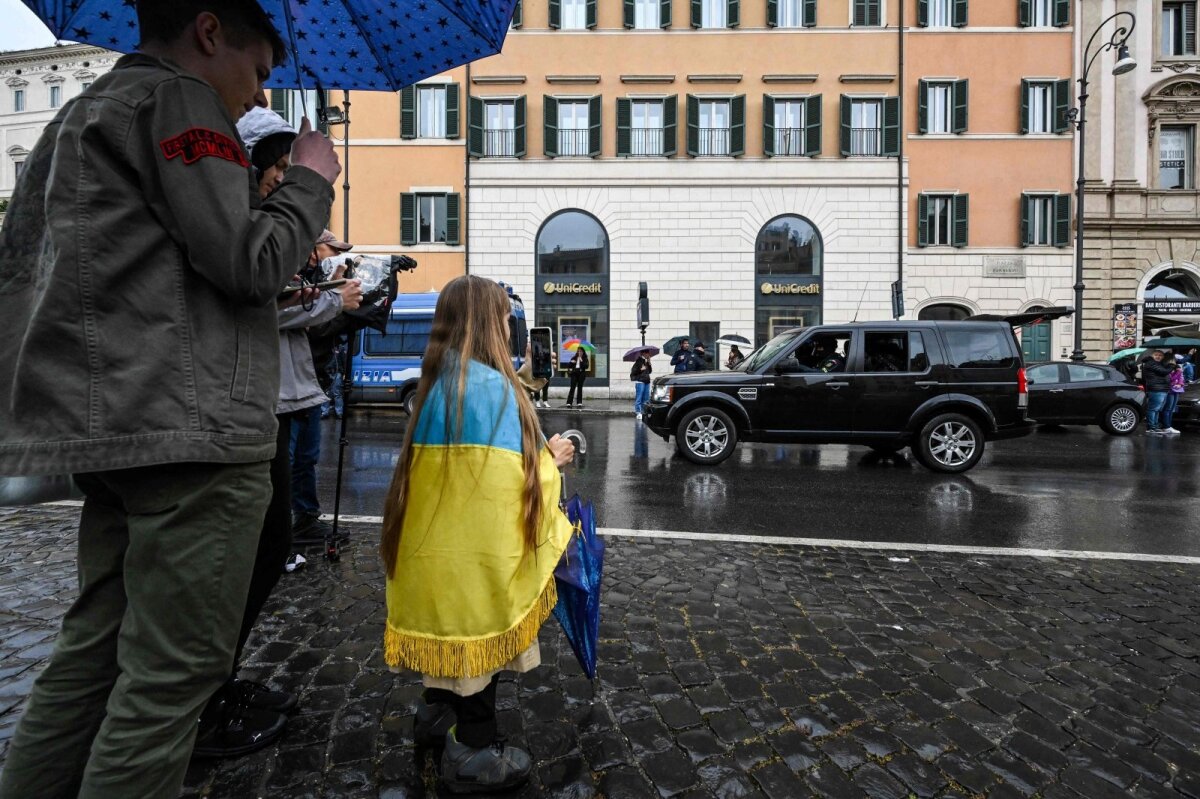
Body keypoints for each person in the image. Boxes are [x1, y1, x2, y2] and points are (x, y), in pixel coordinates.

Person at [0, 2, 341, 797]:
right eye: (258, 72)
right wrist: (310, 187)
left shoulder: (81, 114)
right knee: (170, 680)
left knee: (89, 662)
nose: (260, 97)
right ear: (209, 30)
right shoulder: (181, 102)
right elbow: (247, 265)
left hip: (115, 422)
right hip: (190, 432)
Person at [380, 276, 575, 793]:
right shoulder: (493, 390)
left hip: (432, 559)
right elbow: (509, 490)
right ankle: (472, 752)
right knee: (478, 655)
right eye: (505, 316)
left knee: (450, 643)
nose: (510, 324)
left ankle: (431, 717)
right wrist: (552, 462)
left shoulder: (436, 383)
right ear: (490, 323)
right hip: (474, 564)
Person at [288, 229, 358, 544]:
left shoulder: (316, 281)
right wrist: (340, 307)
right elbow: (312, 327)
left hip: (311, 383)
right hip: (291, 384)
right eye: (332, 250)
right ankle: (280, 529)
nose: (335, 257)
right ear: (311, 249)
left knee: (307, 457)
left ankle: (305, 519)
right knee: (288, 461)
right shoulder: (290, 280)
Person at [1142, 350, 1173, 435]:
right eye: (1156, 355)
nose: (1158, 357)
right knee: (1153, 409)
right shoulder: (1151, 363)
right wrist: (1171, 365)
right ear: (1152, 356)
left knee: (1157, 409)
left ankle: (1154, 426)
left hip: (1161, 389)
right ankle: (1151, 427)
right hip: (1156, 389)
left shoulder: (1157, 364)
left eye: (1160, 355)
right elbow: (1164, 371)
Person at [1164, 357, 1186, 436]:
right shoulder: (1166, 369)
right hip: (1170, 391)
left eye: (1173, 360)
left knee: (1172, 409)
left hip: (1177, 390)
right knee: (1168, 408)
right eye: (1170, 360)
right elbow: (1170, 379)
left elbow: (1181, 379)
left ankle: (1169, 426)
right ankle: (1166, 426)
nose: (1172, 362)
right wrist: (1177, 373)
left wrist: (1180, 383)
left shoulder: (1178, 369)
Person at [631, 351, 653, 419]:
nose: (649, 354)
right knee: (639, 398)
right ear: (643, 353)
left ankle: (644, 412)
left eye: (649, 353)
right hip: (640, 381)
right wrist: (640, 369)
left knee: (646, 398)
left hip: (646, 381)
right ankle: (638, 412)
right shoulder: (638, 361)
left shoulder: (646, 362)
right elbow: (633, 372)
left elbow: (649, 371)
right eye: (647, 353)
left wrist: (649, 363)